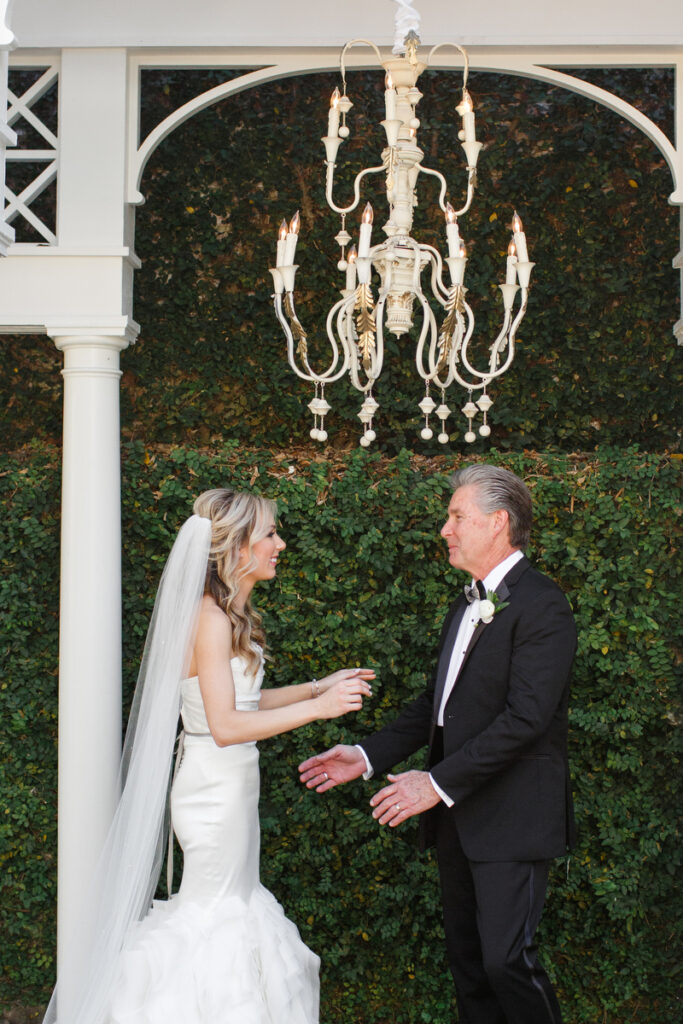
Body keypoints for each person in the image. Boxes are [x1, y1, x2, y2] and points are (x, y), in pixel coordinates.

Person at [43, 488, 373, 1024]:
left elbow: (245, 702)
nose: (280, 544)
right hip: (213, 791)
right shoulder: (209, 618)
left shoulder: (228, 614)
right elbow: (224, 726)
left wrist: (319, 688)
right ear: (238, 546)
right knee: (213, 917)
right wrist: (322, 711)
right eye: (269, 533)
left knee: (232, 908)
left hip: (231, 786)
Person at [299, 464, 576, 1024]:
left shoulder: (543, 604)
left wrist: (436, 782)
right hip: (458, 820)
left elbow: (525, 718)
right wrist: (368, 755)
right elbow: (438, 707)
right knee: (470, 967)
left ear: (498, 522)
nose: (445, 529)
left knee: (507, 964)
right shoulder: (465, 603)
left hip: (512, 817)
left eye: (456, 516)